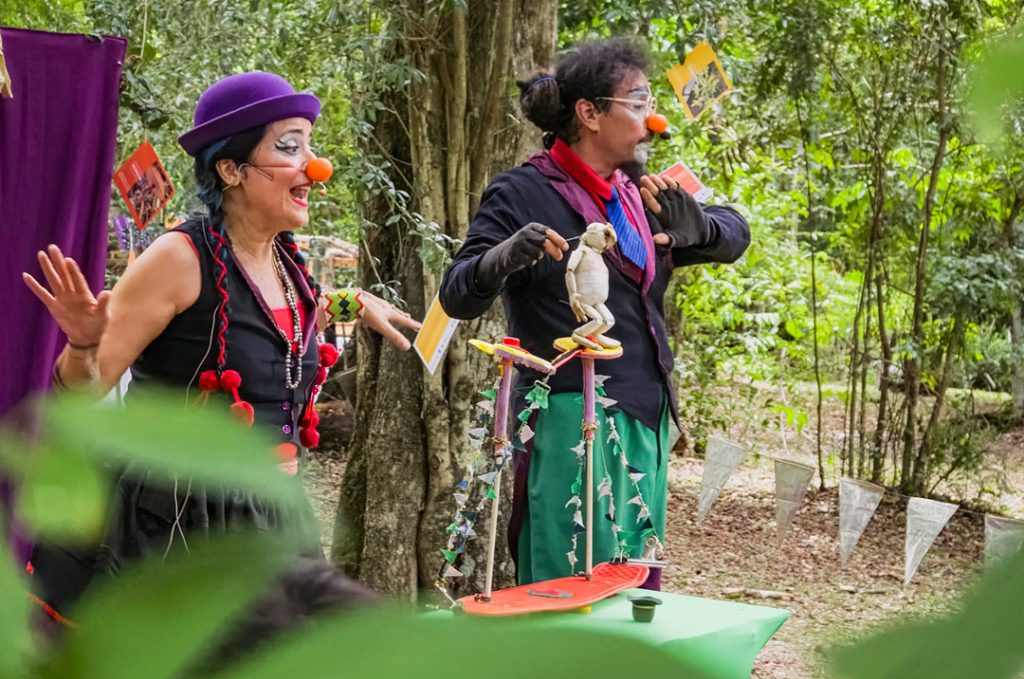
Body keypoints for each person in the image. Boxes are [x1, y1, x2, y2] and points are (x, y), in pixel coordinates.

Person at [22, 71, 420, 616]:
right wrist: (86, 346)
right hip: (178, 524)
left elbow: (282, 323)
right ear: (231, 169)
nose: (315, 166)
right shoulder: (178, 259)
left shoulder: (285, 261)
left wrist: (355, 303)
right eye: (289, 147)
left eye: (310, 145)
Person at [438, 39, 750, 587]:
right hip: (567, 420)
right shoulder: (523, 192)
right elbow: (457, 294)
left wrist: (700, 226)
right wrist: (503, 256)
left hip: (646, 414)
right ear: (589, 113)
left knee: (635, 588)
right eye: (637, 101)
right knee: (573, 590)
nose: (651, 117)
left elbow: (735, 234)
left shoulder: (637, 189)